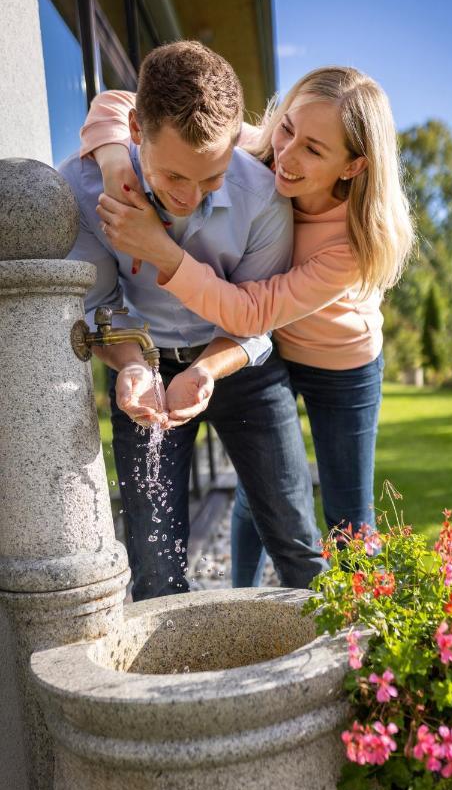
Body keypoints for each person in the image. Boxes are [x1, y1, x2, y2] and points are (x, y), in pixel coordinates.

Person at [79, 65, 413, 586]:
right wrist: (115, 159)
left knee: (349, 513)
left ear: (353, 166)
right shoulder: (253, 152)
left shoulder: (354, 242)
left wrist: (161, 251)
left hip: (339, 366)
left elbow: (250, 313)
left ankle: (365, 631)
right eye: (286, 130)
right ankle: (242, 595)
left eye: (314, 150)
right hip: (267, 350)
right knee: (258, 497)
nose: (287, 154)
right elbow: (120, 103)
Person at [60, 41, 326, 601]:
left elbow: (255, 320)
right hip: (144, 372)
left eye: (211, 178)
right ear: (135, 130)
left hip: (239, 370)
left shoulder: (262, 199)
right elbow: (100, 305)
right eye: (175, 176)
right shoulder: (86, 190)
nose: (189, 196)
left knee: (298, 543)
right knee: (154, 571)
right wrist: (131, 364)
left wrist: (205, 371)